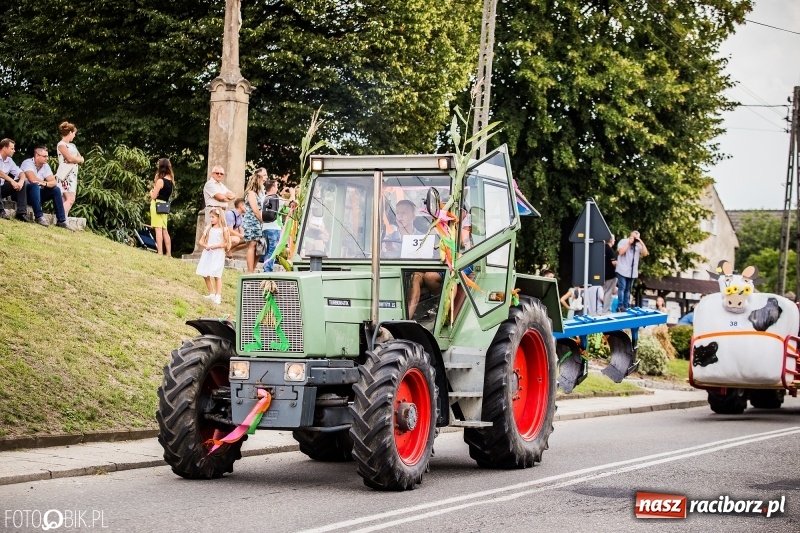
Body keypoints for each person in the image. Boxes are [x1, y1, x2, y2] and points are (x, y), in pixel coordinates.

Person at [20, 146, 70, 229]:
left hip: (36, 194)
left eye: (47, 156)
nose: (47, 158)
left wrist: (45, 184)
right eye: (44, 156)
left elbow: (54, 182)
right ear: (37, 155)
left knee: (56, 190)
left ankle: (61, 220)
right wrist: (44, 183)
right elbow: (32, 179)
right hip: (23, 193)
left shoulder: (45, 166)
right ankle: (39, 216)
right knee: (35, 185)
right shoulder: (27, 163)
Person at [196, 207, 231, 305]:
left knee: (216, 275)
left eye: (213, 217)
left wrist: (217, 246)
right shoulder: (208, 228)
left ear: (219, 217)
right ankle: (211, 294)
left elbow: (226, 243)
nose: (211, 219)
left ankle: (218, 295)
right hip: (208, 253)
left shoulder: (223, 229)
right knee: (205, 274)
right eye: (210, 217)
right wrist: (206, 246)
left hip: (217, 253)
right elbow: (201, 241)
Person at [262, 176, 296, 272]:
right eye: (276, 186)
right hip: (274, 229)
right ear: (272, 188)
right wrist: (292, 193)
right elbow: (290, 203)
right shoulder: (277, 199)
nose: (277, 189)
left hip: (265, 228)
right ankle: (267, 271)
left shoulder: (263, 198)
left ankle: (266, 268)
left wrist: (281, 194)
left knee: (268, 250)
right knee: (273, 251)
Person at [56, 121, 84, 217]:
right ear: (70, 132)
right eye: (74, 134)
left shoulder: (73, 146)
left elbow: (81, 158)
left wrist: (76, 160)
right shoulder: (61, 144)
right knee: (71, 199)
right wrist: (76, 159)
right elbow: (69, 158)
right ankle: (61, 218)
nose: (74, 136)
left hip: (73, 174)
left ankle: (64, 217)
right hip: (66, 174)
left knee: (66, 199)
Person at [615, 230, 648, 311]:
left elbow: (645, 253)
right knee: (622, 287)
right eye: (634, 237)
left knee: (628, 289)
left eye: (637, 237)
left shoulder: (638, 245)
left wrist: (641, 242)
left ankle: (626, 306)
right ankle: (620, 305)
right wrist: (629, 243)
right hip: (622, 269)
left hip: (632, 272)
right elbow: (620, 252)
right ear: (630, 236)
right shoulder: (623, 241)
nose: (635, 239)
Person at [149, 158, 174, 256]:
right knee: (165, 230)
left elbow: (154, 196)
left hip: (157, 204)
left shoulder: (160, 181)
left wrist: (151, 192)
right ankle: (169, 253)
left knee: (158, 230)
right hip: (165, 205)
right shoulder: (171, 180)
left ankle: (160, 252)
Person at [242, 169, 266, 273]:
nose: (265, 179)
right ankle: (250, 271)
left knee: (258, 247)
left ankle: (253, 268)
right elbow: (255, 210)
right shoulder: (251, 193)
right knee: (252, 245)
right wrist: (263, 221)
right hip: (252, 222)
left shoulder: (259, 193)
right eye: (263, 177)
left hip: (258, 223)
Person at [0, 138, 28, 221]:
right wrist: (11, 181)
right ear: (5, 148)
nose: (14, 151)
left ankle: (21, 213)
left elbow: (21, 173)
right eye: (12, 148)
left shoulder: (9, 160)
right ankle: (1, 211)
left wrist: (21, 182)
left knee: (22, 183)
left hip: (1, 189)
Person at [601, 235, 617, 313]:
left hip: (603, 274)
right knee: (609, 291)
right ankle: (606, 309)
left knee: (604, 291)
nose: (615, 241)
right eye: (614, 239)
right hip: (611, 274)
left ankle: (602, 308)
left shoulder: (602, 248)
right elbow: (613, 262)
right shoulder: (609, 249)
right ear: (611, 240)